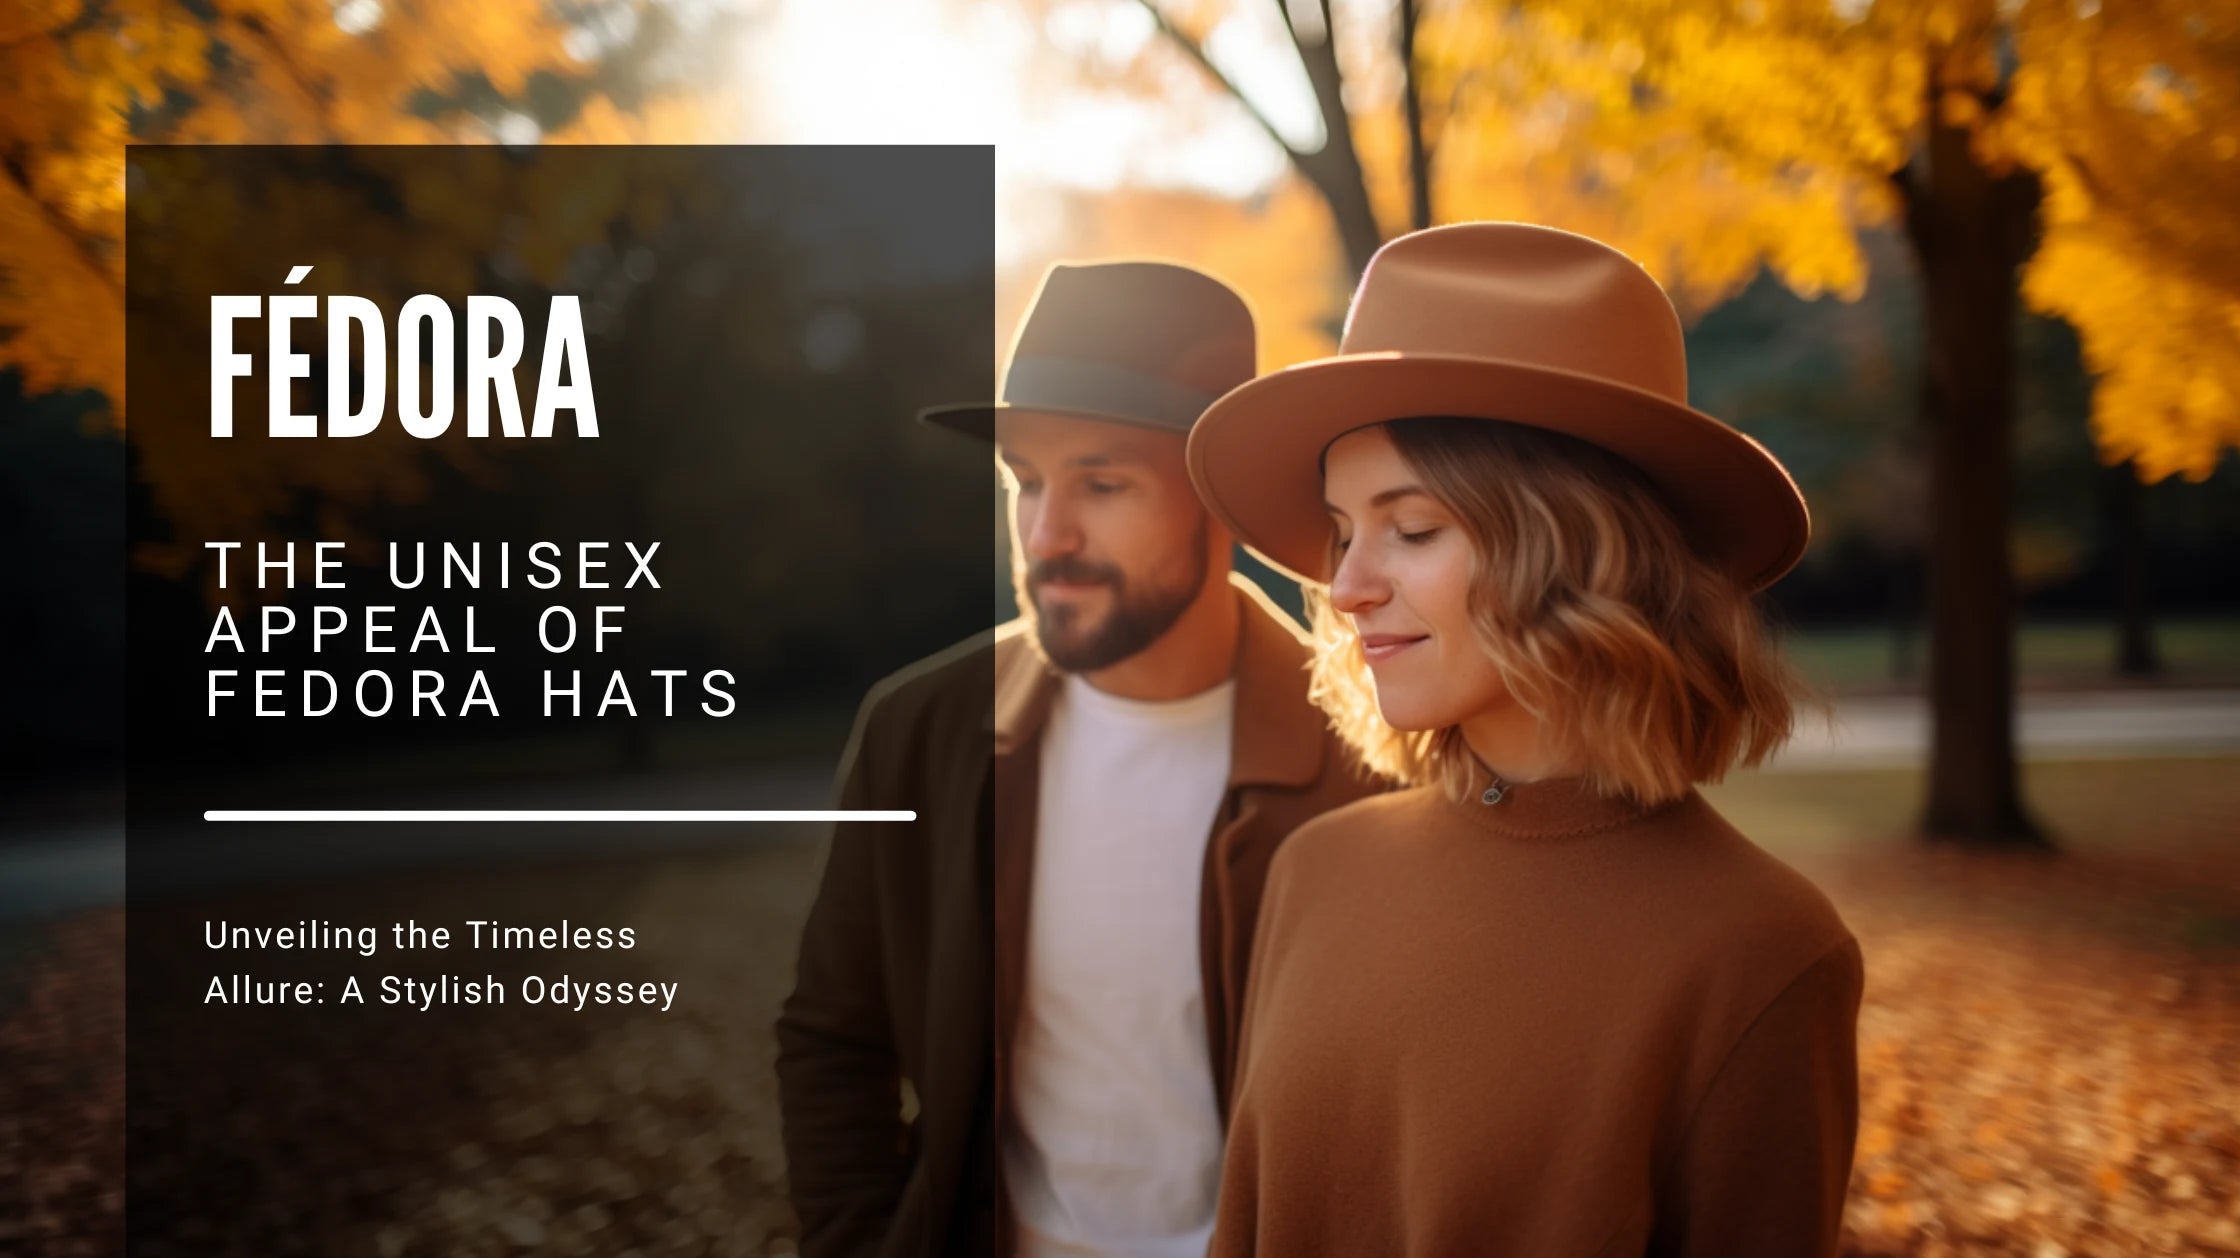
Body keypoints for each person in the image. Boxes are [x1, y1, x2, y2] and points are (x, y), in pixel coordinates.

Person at [1185, 222, 1864, 1256]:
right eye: (1339, 531)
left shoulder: (1759, 952)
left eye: (1410, 528)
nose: (1348, 584)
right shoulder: (1315, 871)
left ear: (1578, 548)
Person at [775, 260, 1382, 1258]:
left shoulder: (1366, 758)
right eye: (1025, 483)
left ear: (1218, 501)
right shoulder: (919, 730)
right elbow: (833, 1037)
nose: (1046, 533)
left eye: (1101, 483)